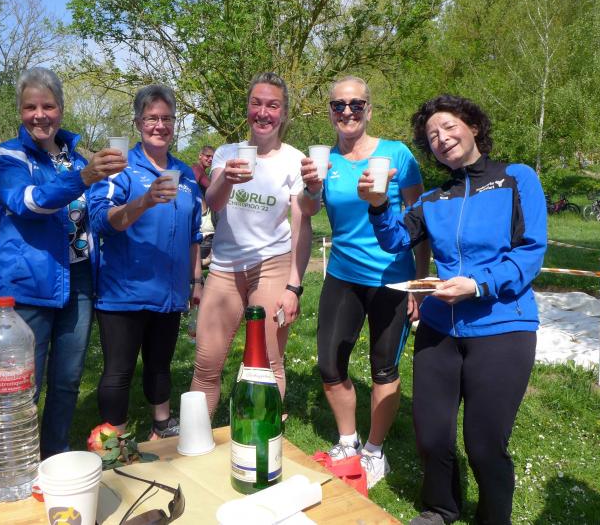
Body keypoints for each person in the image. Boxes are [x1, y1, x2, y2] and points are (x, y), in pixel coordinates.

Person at [361, 94, 547, 525]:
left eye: (448, 127)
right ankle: (440, 509)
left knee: (485, 445)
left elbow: (530, 251)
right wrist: (377, 204)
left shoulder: (515, 179)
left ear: (473, 127)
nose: (441, 138)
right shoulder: (432, 198)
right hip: (439, 329)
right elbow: (394, 240)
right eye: (432, 136)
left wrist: (479, 285)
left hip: (503, 327)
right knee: (431, 436)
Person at [298, 75, 430, 489]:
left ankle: (374, 451)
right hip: (343, 275)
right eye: (339, 105)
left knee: (383, 368)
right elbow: (307, 210)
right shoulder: (325, 161)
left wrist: (421, 283)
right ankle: (347, 441)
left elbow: (422, 220)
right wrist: (311, 187)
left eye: (356, 104)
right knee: (329, 363)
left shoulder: (397, 155)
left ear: (368, 110)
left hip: (392, 277)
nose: (347, 112)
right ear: (330, 112)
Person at [0, 67, 126, 458]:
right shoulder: (10, 156)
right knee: (22, 384)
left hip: (78, 280)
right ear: (20, 111)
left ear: (61, 110)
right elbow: (28, 202)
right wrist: (83, 178)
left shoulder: (77, 159)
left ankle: (55, 457)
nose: (39, 115)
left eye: (48, 106)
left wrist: (137, 202)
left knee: (67, 381)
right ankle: (16, 460)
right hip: (26, 285)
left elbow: (94, 218)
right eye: (30, 107)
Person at [190, 72, 312, 417]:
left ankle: (265, 439)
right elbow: (213, 202)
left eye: (272, 105)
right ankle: (196, 440)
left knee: (269, 364)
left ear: (283, 113)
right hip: (224, 268)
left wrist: (294, 286)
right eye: (256, 103)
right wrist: (228, 178)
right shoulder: (227, 153)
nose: (263, 112)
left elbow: (302, 225)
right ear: (247, 108)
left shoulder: (294, 160)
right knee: (206, 364)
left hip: (272, 265)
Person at [89, 84, 203, 440]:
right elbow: (101, 221)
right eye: (152, 118)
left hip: (169, 292)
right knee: (119, 370)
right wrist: (145, 201)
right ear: (138, 123)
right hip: (124, 290)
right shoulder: (119, 167)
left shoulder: (186, 175)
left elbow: (194, 234)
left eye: (167, 118)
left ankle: (162, 425)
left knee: (160, 364)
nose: (160, 125)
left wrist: (196, 281)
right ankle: (113, 442)